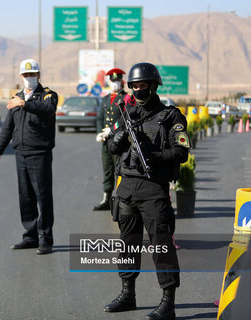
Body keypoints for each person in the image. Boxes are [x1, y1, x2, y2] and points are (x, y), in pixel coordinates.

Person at [104, 62, 190, 320]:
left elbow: (181, 152)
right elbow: (112, 147)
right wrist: (117, 140)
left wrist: (152, 153)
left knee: (161, 245)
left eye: (143, 85)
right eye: (135, 86)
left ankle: (168, 302)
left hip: (153, 188)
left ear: (154, 86)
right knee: (128, 244)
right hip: (127, 187)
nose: (139, 89)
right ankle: (127, 294)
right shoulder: (125, 112)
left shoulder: (172, 116)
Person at [0, 58, 58, 255]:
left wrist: (25, 104)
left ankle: (46, 238)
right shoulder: (16, 98)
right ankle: (30, 236)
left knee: (42, 196)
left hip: (39, 153)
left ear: (39, 75)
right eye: (26, 75)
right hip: (20, 154)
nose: (29, 78)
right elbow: (7, 128)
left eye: (33, 74)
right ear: (21, 76)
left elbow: (48, 111)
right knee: (25, 196)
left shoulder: (47, 96)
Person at [94, 68, 129, 211]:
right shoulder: (105, 99)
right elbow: (100, 118)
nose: (115, 83)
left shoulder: (127, 98)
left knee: (120, 170)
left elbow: (126, 119)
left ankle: (121, 199)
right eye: (113, 80)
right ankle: (106, 199)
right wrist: (99, 132)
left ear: (122, 81)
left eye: (118, 80)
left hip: (119, 141)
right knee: (107, 170)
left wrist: (113, 130)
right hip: (106, 141)